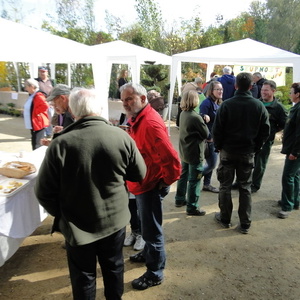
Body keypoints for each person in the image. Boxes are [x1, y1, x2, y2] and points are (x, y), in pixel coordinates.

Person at [35, 87, 147, 300]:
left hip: (78, 224)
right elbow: (139, 173)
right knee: (114, 266)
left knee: (84, 276)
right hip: (114, 220)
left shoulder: (61, 143)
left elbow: (43, 192)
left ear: (74, 112)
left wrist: (61, 213)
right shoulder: (121, 137)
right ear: (100, 108)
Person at [120, 82, 181, 290]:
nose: (126, 104)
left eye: (130, 99)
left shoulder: (150, 123)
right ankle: (147, 253)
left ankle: (155, 272)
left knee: (152, 231)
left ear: (143, 99)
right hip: (143, 183)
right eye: (123, 100)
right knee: (147, 226)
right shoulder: (139, 119)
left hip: (150, 185)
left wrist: (163, 182)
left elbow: (173, 161)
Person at [213, 72, 270, 234]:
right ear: (251, 86)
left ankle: (225, 218)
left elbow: (217, 130)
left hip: (228, 152)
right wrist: (256, 147)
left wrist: (219, 146)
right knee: (245, 187)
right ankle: (245, 223)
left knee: (225, 185)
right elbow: (265, 131)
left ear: (236, 86)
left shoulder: (226, 105)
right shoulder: (258, 106)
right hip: (247, 152)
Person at [175, 90, 209, 213]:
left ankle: (179, 199)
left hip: (184, 150)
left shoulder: (183, 113)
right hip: (194, 152)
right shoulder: (195, 117)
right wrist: (205, 121)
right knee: (194, 179)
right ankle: (192, 206)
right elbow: (206, 134)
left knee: (183, 176)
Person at [251, 80, 288, 193]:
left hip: (265, 141)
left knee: (259, 164)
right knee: (245, 161)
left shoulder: (278, 108)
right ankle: (241, 182)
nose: (263, 92)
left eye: (266, 90)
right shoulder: (255, 103)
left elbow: (283, 124)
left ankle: (254, 185)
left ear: (273, 91)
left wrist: (271, 132)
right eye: (262, 90)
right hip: (251, 138)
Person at [277, 82, 300, 219]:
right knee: (295, 175)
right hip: (293, 149)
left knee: (288, 177)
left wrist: (295, 152)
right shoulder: (296, 108)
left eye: (291, 92)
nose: (289, 94)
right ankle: (294, 200)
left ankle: (287, 206)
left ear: (298, 94)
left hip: (295, 150)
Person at [200, 81, 223, 193]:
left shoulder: (218, 103)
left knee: (210, 163)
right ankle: (193, 178)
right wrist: (209, 137)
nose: (220, 91)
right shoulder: (206, 103)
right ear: (211, 91)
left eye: (221, 89)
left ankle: (207, 184)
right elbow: (201, 121)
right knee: (211, 164)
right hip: (210, 139)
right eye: (217, 89)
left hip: (216, 138)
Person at [23, 78, 49, 150]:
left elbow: (45, 105)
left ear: (31, 86)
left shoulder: (38, 95)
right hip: (34, 124)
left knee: (37, 144)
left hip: (38, 123)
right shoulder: (33, 95)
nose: (25, 89)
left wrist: (36, 112)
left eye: (26, 87)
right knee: (35, 143)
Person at [35, 66, 55, 137]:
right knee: (42, 117)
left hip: (50, 102)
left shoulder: (52, 81)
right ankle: (44, 132)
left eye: (43, 72)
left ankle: (50, 132)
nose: (42, 73)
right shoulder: (36, 81)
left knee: (51, 117)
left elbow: (54, 91)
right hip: (40, 103)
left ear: (47, 72)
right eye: (40, 71)